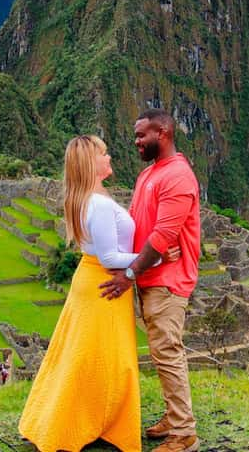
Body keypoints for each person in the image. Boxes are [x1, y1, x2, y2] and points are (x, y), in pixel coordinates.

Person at [20, 135, 158, 452]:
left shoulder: (89, 198)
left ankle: (85, 420)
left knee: (86, 354)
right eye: (104, 153)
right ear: (90, 163)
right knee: (100, 359)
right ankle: (76, 424)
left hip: (94, 281)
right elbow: (109, 258)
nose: (110, 157)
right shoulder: (96, 204)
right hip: (104, 283)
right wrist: (155, 258)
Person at [100, 109, 201, 452]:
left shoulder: (178, 176)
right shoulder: (148, 175)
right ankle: (174, 419)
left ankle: (184, 433)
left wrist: (129, 274)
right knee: (161, 353)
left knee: (168, 352)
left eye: (143, 135)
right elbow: (138, 225)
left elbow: (163, 235)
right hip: (151, 274)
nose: (137, 141)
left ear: (165, 132)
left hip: (167, 281)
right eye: (136, 135)